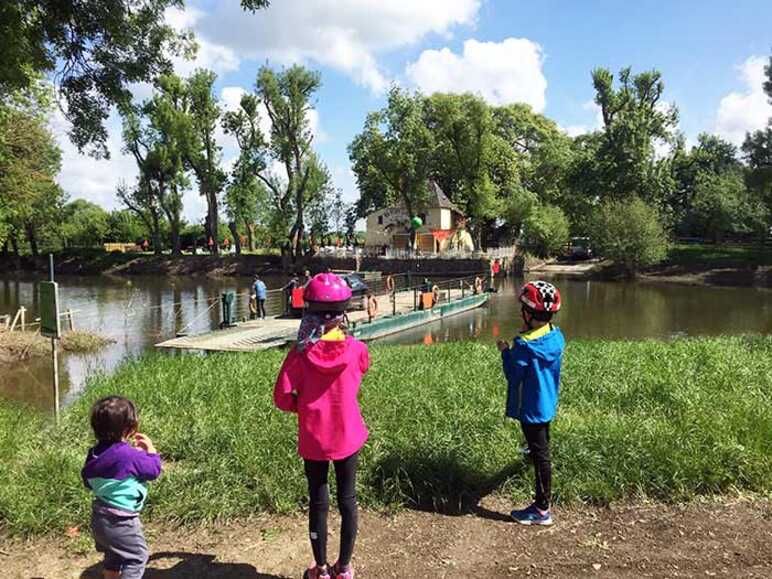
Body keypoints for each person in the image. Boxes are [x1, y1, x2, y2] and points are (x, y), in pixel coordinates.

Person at [274, 273, 369, 579]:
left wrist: (302, 408)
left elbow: (282, 397)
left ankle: (321, 569)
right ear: (344, 312)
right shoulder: (356, 349)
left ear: (309, 310)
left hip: (314, 437)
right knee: (348, 499)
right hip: (348, 434)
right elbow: (361, 370)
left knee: (318, 500)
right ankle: (344, 568)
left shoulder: (299, 354)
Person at [497, 280, 564, 526]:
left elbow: (514, 375)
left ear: (528, 313)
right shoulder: (555, 336)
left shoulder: (524, 346)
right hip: (547, 401)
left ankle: (541, 509)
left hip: (532, 407)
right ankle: (531, 450)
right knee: (541, 438)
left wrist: (506, 351)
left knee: (541, 456)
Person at [81, 396, 162, 579]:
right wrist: (151, 451)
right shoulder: (129, 455)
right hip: (121, 521)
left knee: (114, 553)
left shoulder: (93, 455)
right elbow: (154, 470)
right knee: (137, 557)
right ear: (131, 428)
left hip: (99, 518)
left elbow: (87, 481)